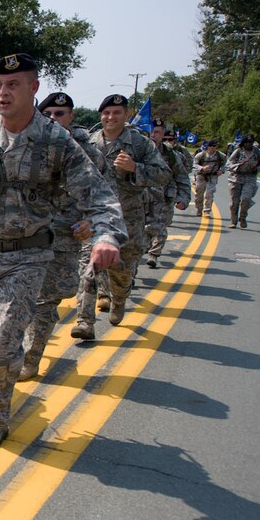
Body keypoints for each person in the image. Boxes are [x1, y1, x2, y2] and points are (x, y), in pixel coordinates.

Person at [0, 54, 125, 449]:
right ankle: (6, 371)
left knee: (3, 337)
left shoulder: (55, 140)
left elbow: (97, 192)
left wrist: (107, 235)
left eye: (14, 85)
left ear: (33, 88)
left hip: (27, 256)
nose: (4, 93)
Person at [19, 92, 109, 380]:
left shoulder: (87, 153)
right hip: (23, 236)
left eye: (61, 113)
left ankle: (30, 359)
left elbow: (104, 195)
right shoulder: (24, 147)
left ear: (72, 117)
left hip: (63, 237)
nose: (55, 119)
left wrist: (90, 221)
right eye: (49, 114)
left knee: (44, 302)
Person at [70, 94, 168, 340]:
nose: (110, 117)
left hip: (129, 219)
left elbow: (163, 175)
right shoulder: (89, 143)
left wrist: (136, 168)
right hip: (94, 219)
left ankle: (119, 298)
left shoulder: (140, 144)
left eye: (116, 113)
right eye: (106, 113)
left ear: (126, 115)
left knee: (121, 271)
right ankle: (85, 321)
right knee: (88, 268)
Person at [144, 123, 191, 268]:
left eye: (157, 132)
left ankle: (154, 254)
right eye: (151, 132)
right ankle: (136, 260)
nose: (153, 135)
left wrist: (183, 198)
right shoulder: (138, 151)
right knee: (140, 231)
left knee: (160, 227)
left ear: (163, 134)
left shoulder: (171, 155)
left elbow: (182, 177)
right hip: (141, 197)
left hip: (164, 197)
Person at [225, 134, 260, 228]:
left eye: (251, 142)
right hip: (235, 178)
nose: (249, 144)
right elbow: (228, 164)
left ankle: (243, 217)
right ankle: (233, 220)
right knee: (234, 202)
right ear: (243, 143)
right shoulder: (238, 151)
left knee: (246, 199)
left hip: (250, 178)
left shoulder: (258, 152)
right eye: (247, 142)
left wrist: (256, 169)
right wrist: (239, 165)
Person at [192, 140, 225, 217]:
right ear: (208, 146)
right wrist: (202, 168)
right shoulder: (200, 155)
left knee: (209, 193)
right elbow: (194, 164)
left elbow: (225, 164)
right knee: (199, 193)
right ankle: (199, 209)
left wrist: (221, 170)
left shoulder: (220, 155)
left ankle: (207, 210)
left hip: (212, 176)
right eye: (211, 146)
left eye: (214, 146)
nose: (213, 148)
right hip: (201, 176)